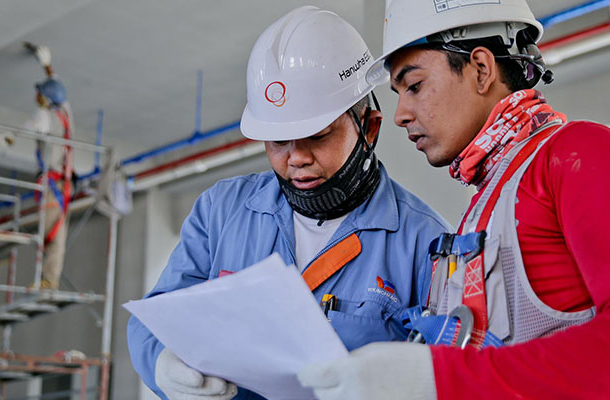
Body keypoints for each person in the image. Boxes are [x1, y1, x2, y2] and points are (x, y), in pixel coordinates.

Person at [297, 1, 610, 399]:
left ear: (482, 69)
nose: (401, 114)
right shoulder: (488, 203)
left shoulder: (581, 154)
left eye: (414, 86)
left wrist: (441, 378)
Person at [127, 6, 451, 400]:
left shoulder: (426, 243)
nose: (295, 158)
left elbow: (446, 373)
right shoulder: (220, 212)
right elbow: (158, 315)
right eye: (278, 140)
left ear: (369, 126)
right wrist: (162, 363)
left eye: (317, 135)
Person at [24, 43, 75, 290]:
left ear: (45, 100)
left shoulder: (45, 118)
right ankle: (48, 279)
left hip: (52, 186)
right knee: (54, 233)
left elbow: (30, 124)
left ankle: (47, 280)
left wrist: (11, 136)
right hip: (61, 183)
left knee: (49, 235)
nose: (36, 96)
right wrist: (47, 66)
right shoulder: (65, 113)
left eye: (39, 94)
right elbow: (58, 89)